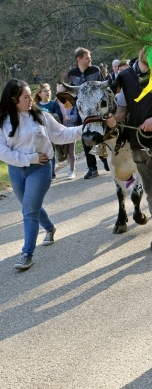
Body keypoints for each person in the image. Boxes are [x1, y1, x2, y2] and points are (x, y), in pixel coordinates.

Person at [0, 79, 82, 270]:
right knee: (32, 207)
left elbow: (61, 134)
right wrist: (30, 158)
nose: (31, 100)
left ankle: (26, 254)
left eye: (31, 95)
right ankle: (50, 228)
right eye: (26, 97)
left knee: (28, 210)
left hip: (41, 168)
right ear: (13, 100)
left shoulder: (42, 116)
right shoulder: (3, 122)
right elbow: (3, 152)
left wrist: (84, 129)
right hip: (16, 170)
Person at [106, 48, 152, 252]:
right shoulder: (124, 77)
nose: (147, 52)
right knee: (148, 188)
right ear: (139, 49)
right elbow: (122, 110)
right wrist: (114, 120)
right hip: (137, 141)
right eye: (144, 47)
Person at [66, 47, 109, 179]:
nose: (90, 59)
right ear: (79, 59)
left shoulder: (96, 70)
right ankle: (92, 168)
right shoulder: (72, 74)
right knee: (86, 138)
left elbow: (103, 88)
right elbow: (72, 92)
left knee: (102, 134)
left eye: (90, 57)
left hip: (97, 110)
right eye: (87, 57)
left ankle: (104, 157)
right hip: (82, 112)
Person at [33, 83, 63, 181]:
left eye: (49, 90)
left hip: (51, 132)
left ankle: (52, 173)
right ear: (39, 94)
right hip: (39, 134)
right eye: (45, 91)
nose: (48, 92)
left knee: (51, 152)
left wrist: (48, 116)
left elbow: (59, 117)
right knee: (42, 153)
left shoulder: (54, 104)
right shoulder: (36, 106)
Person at [55, 84, 77, 180]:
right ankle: (70, 163)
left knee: (71, 151)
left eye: (62, 92)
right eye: (58, 92)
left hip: (70, 129)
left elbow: (77, 116)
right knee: (65, 153)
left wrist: (70, 118)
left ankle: (72, 171)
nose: (60, 94)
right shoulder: (54, 103)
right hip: (59, 130)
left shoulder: (71, 102)